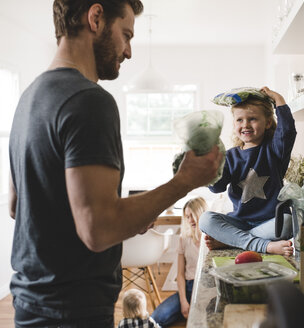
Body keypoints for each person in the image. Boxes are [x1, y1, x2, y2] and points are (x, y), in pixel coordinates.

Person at [8, 1, 222, 327]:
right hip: (74, 311)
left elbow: (19, 205)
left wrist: (127, 215)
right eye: (126, 34)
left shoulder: (28, 98)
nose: (129, 51)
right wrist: (184, 181)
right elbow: (97, 230)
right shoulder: (89, 100)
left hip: (30, 306)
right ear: (95, 18)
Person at [199, 87, 296, 256]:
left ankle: (231, 241)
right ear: (234, 124)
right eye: (239, 120)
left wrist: (278, 99)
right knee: (205, 219)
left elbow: (287, 131)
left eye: (252, 119)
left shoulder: (275, 150)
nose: (245, 125)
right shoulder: (230, 156)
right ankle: (264, 246)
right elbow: (217, 187)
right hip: (240, 221)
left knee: (288, 222)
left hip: (269, 222)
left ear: (267, 123)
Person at [151, 197, 207, 326]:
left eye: (192, 216)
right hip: (187, 288)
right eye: (187, 217)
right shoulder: (184, 239)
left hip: (205, 289)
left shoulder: (212, 241)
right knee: (156, 318)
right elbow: (180, 275)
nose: (190, 220)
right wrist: (183, 301)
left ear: (201, 214)